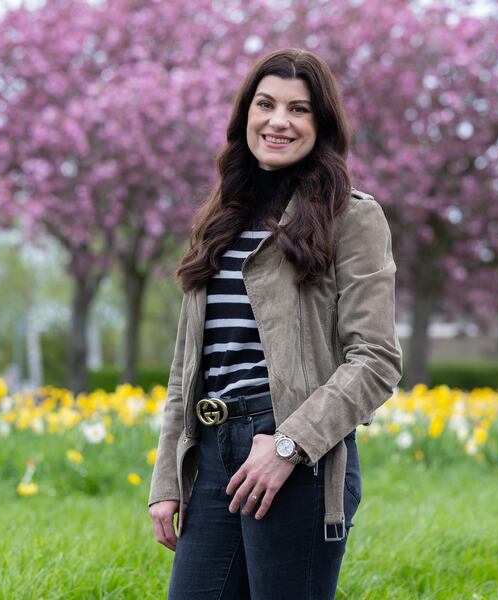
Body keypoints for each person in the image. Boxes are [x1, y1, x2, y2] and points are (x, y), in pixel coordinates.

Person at [148, 47, 402, 599]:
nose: (278, 121)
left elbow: (376, 359)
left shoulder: (352, 217)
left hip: (297, 457)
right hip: (213, 451)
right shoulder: (219, 220)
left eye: (299, 109)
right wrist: (168, 477)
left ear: (322, 124)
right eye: (265, 104)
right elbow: (188, 365)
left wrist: (288, 444)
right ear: (246, 115)